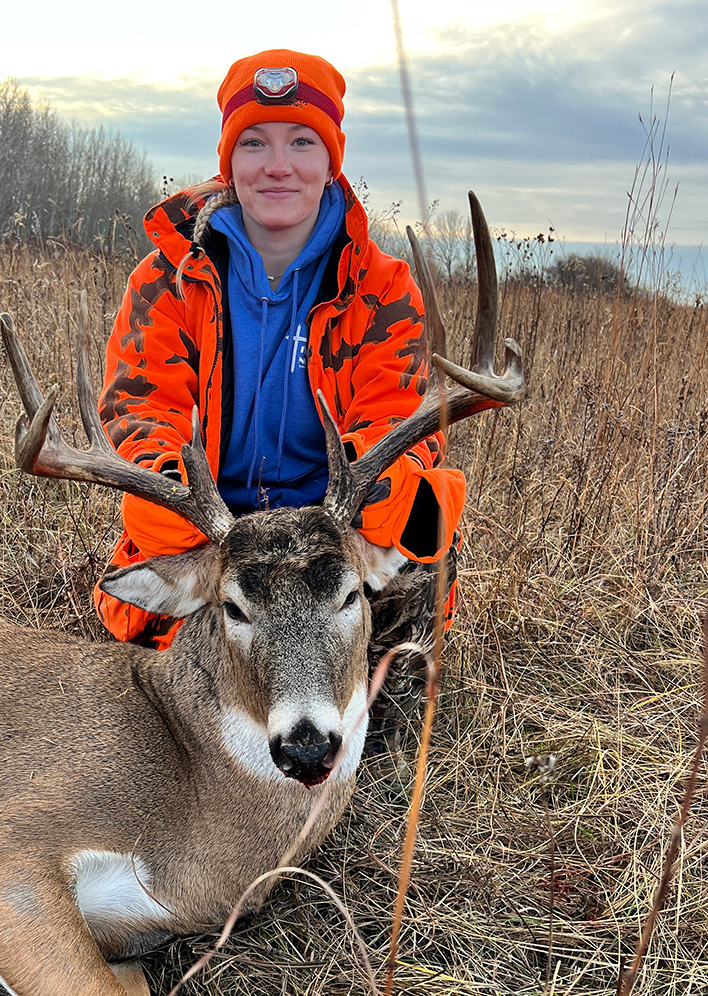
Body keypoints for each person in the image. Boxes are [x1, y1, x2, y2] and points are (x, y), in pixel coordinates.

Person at [93, 50, 465, 724]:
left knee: (421, 534)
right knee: (173, 687)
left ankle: (371, 710)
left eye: (302, 141)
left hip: (332, 531)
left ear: (331, 161)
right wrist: (168, 492)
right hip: (222, 534)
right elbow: (141, 407)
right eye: (255, 143)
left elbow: (395, 416)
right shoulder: (167, 279)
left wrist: (381, 492)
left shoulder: (381, 288)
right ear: (229, 160)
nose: (278, 165)